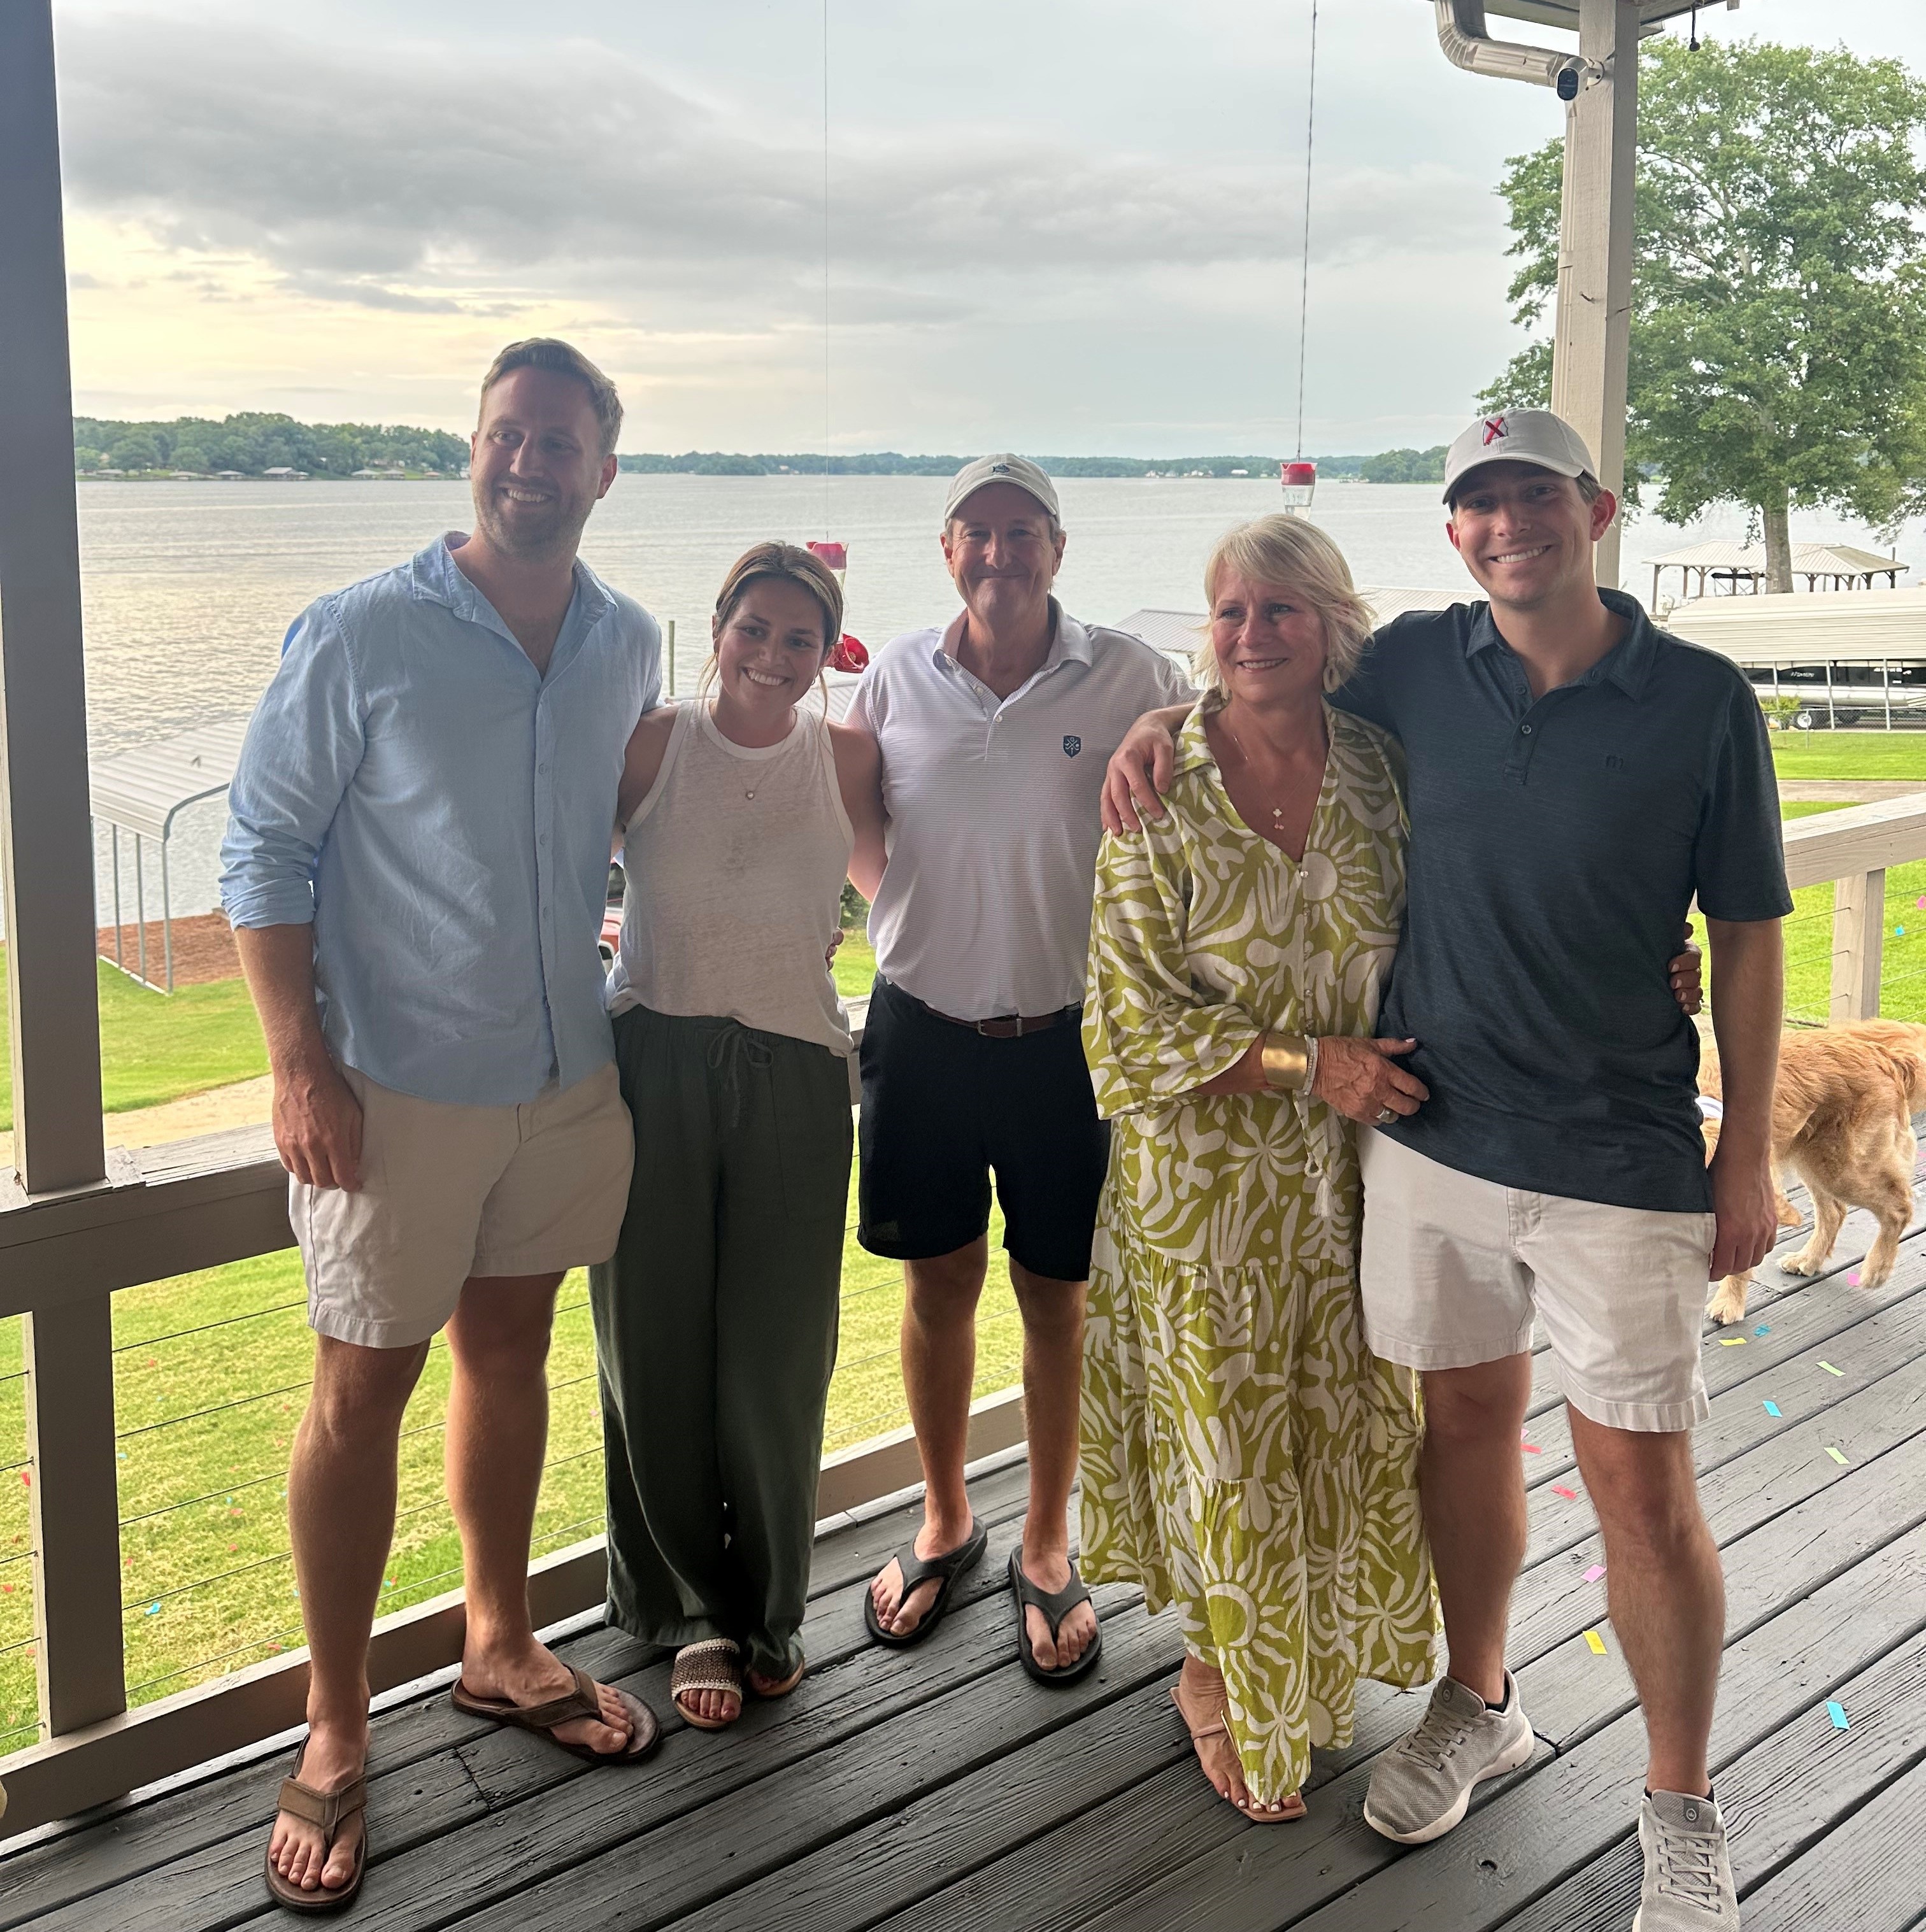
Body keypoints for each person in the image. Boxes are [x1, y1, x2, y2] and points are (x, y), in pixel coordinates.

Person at [1102, 409, 1782, 1928]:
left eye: (1534, 494)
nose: (1506, 522)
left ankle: (1682, 1803)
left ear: (1596, 509)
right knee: (1460, 1427)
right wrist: (1156, 719)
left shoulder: (1701, 698)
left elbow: (1745, 933)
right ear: (1455, 529)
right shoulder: (1416, 662)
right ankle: (1482, 1699)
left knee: (1642, 1483)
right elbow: (1257, 666)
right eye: (1479, 501)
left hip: (1619, 1147)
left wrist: (1743, 1145)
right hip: (1433, 1132)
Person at [222, 338, 664, 1914]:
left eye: (559, 441)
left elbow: (622, 818)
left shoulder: (627, 639)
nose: (529, 464)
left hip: (561, 1072)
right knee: (358, 1397)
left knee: (512, 1354)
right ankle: (337, 1724)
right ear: (473, 449)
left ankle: (497, 1638)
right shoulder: (362, 630)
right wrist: (297, 1064)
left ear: (605, 469)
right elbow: (264, 846)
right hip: (393, 1086)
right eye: (506, 435)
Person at [1081, 515, 1437, 1821]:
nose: (1251, 633)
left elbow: (1473, 912)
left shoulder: (1382, 771)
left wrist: (1650, 961)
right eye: (1230, 610)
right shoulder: (1158, 782)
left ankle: (1303, 1657)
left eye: (1280, 608)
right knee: (1226, 1439)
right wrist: (1308, 1064)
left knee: (1338, 1426)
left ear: (1332, 623)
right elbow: (1125, 1025)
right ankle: (1215, 1670)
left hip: (1355, 1179)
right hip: (1205, 1190)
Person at [851, 455, 1194, 1680]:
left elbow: (1220, 734)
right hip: (921, 1031)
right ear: (947, 549)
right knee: (936, 1286)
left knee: (1059, 1296)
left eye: (1023, 531)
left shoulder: (1132, 673)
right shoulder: (894, 674)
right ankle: (947, 1518)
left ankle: (1048, 1539)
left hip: (1070, 1042)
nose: (1000, 552)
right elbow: (856, 816)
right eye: (978, 532)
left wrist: (1165, 722)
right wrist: (902, 909)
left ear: (1059, 546)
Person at [591, 542, 885, 1731]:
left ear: (826, 653)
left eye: (798, 637)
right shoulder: (652, 744)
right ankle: (687, 1608)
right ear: (717, 629)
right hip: (653, 1059)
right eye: (752, 628)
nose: (772, 654)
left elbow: (904, 888)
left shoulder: (848, 756)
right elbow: (556, 870)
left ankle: (769, 1607)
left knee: (778, 1353)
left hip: (798, 1068)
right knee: (651, 1341)